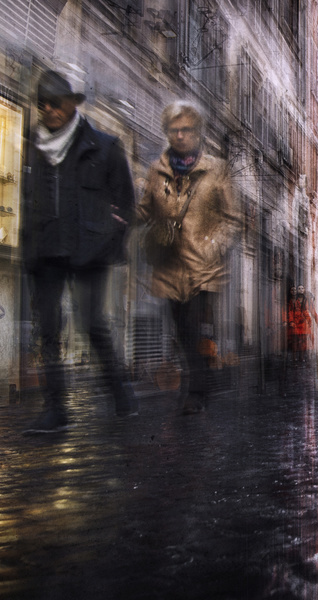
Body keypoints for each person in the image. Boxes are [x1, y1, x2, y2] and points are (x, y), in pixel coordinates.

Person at [22, 70, 137, 433]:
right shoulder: (34, 146)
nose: (48, 109)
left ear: (72, 104)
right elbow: (29, 198)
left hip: (89, 250)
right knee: (48, 329)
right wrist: (28, 248)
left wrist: (109, 242)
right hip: (46, 250)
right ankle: (55, 408)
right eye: (42, 103)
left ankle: (119, 391)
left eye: (56, 102)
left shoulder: (104, 146)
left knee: (92, 325)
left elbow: (126, 205)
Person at [136, 100, 238, 415]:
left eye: (186, 129)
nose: (180, 135)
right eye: (174, 130)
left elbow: (232, 219)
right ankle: (200, 382)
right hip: (169, 266)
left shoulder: (217, 170)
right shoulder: (157, 171)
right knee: (180, 331)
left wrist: (213, 246)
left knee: (194, 329)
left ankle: (197, 391)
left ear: (198, 133)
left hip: (203, 268)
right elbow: (145, 210)